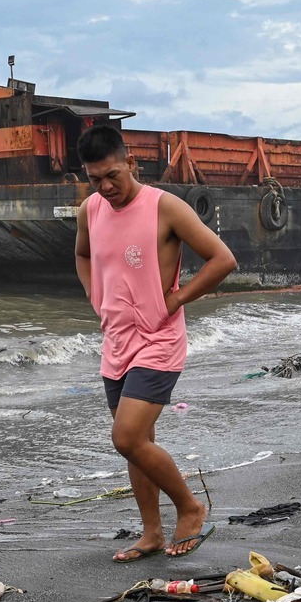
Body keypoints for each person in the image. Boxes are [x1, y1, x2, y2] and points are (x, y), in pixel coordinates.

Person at [74, 125, 238, 561]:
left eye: (113, 175)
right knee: (139, 441)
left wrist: (178, 298)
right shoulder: (90, 209)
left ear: (131, 163)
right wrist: (97, 298)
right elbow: (83, 255)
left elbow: (223, 259)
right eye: (95, 180)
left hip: (159, 339)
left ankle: (190, 507)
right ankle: (151, 533)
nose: (106, 187)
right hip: (116, 340)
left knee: (126, 437)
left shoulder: (165, 208)